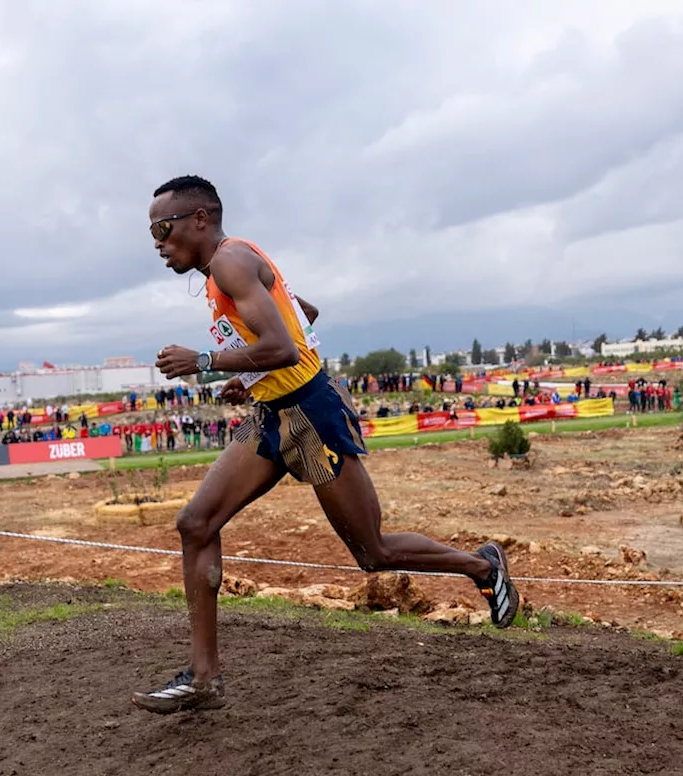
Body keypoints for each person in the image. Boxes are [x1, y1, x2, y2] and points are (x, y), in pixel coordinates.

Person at [132, 175, 520, 714]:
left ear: (199, 219)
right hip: (272, 413)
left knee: (372, 552)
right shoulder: (230, 267)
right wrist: (249, 376)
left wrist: (203, 361)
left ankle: (483, 567)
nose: (156, 240)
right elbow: (303, 317)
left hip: (311, 414)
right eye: (152, 230)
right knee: (196, 524)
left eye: (162, 227)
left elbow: (286, 348)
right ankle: (203, 677)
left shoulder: (229, 262)